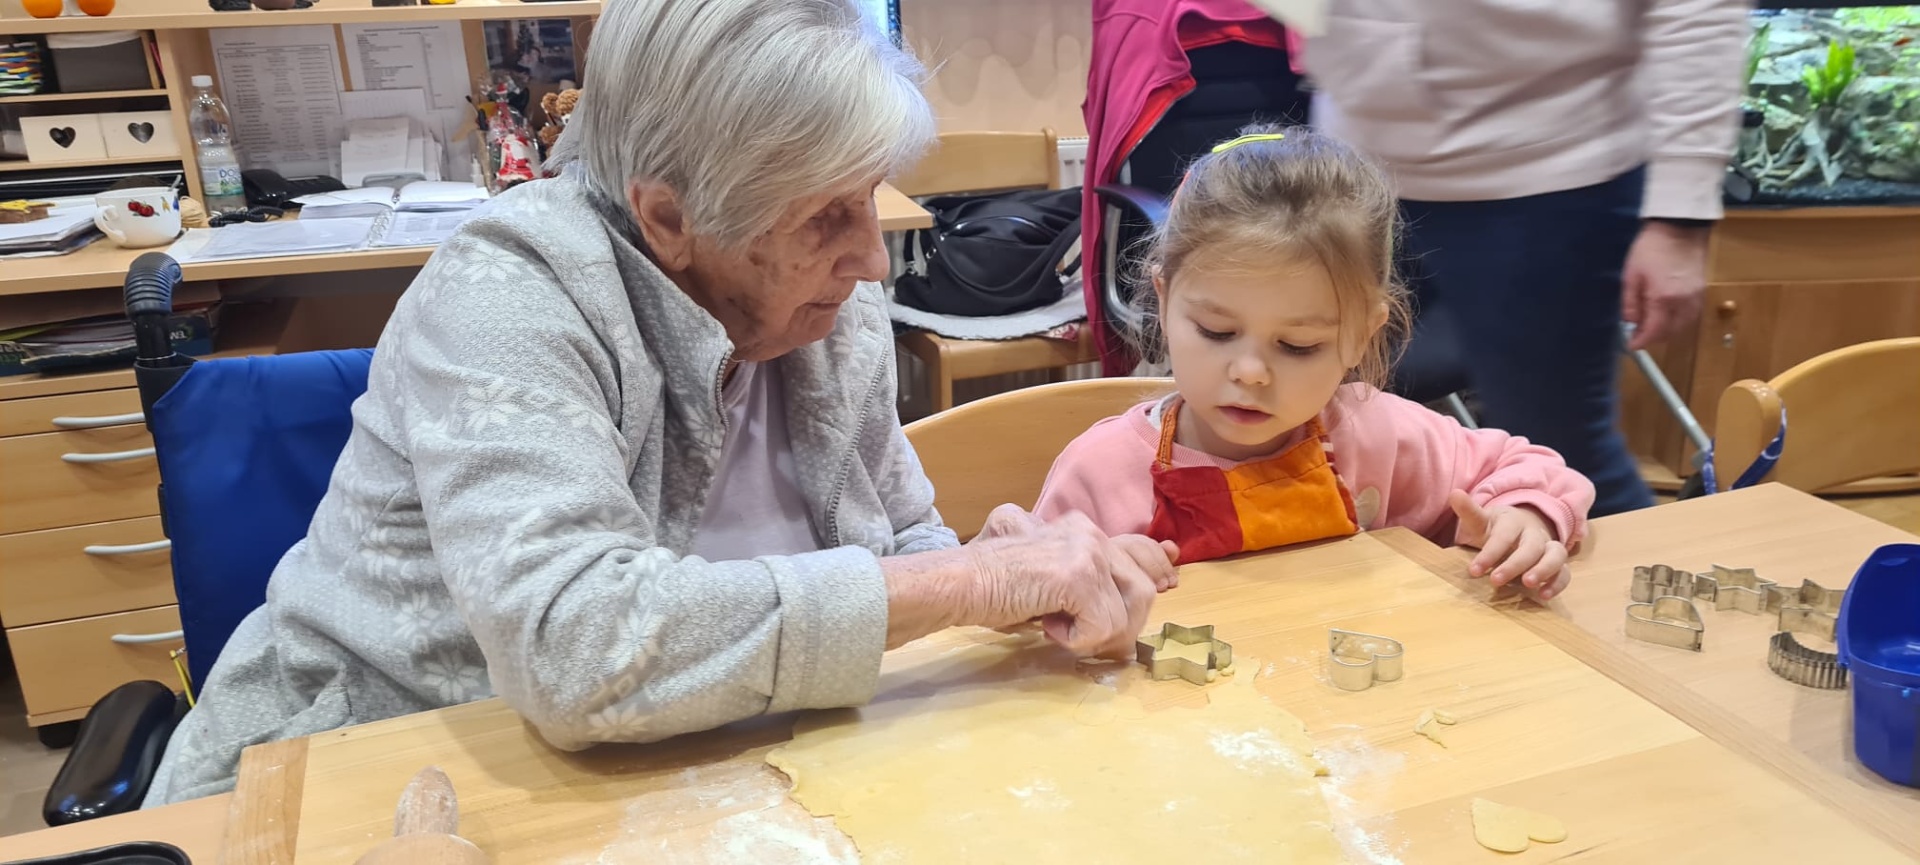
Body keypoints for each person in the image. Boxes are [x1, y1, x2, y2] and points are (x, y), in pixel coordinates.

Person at [142, 0, 1177, 806]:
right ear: (669, 217)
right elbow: (577, 645)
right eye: (827, 214)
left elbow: (895, 532)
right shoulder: (510, 292)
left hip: (687, 773)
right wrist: (963, 583)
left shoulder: (827, 308)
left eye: (870, 199)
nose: (871, 259)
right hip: (369, 777)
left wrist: (979, 569)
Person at [1035, 128, 1594, 597]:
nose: (1250, 372)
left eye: (1298, 346)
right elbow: (1022, 604)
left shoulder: (1378, 433)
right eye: (1216, 332)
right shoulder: (1101, 473)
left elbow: (1531, 467)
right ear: (1162, 302)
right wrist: (1082, 581)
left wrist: (1526, 518)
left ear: (1362, 337)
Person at [1296, 0, 1749, 516]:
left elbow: (1698, 11)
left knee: (1564, 463)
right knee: (1314, 429)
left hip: (1548, 173)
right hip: (1351, 163)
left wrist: (1680, 214)